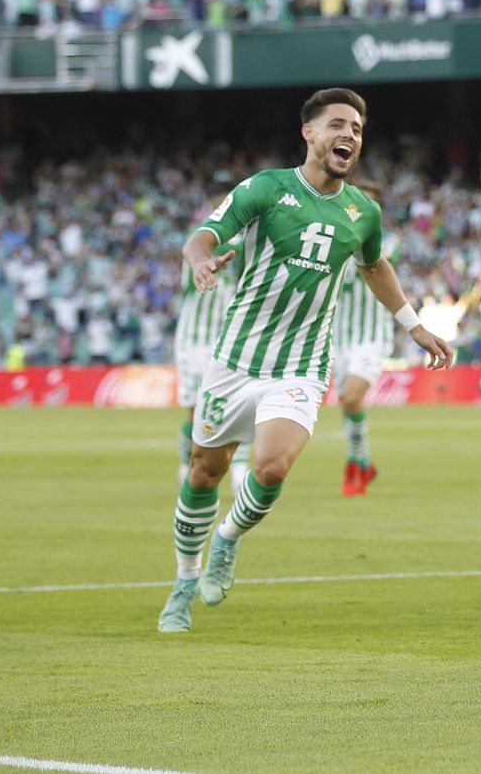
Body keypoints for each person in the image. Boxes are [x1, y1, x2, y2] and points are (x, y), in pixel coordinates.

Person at [158, 88, 455, 633]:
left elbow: (374, 267)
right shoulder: (266, 188)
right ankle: (182, 583)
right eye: (338, 124)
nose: (349, 135)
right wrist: (201, 262)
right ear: (309, 132)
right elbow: (203, 236)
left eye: (357, 129)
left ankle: (226, 539)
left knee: (272, 467)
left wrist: (414, 325)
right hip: (236, 359)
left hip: (301, 365)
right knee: (204, 473)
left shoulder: (362, 211)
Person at [329, 179, 398, 496]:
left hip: (371, 335)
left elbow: (372, 264)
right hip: (339, 337)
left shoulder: (389, 241)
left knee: (353, 397)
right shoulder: (333, 237)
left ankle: (354, 466)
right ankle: (364, 462)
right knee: (348, 403)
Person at [172, 218, 243, 484]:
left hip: (224, 339)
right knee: (194, 409)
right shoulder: (197, 245)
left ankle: (239, 467)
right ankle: (186, 463)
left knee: (235, 403)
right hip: (193, 340)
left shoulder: (239, 254)